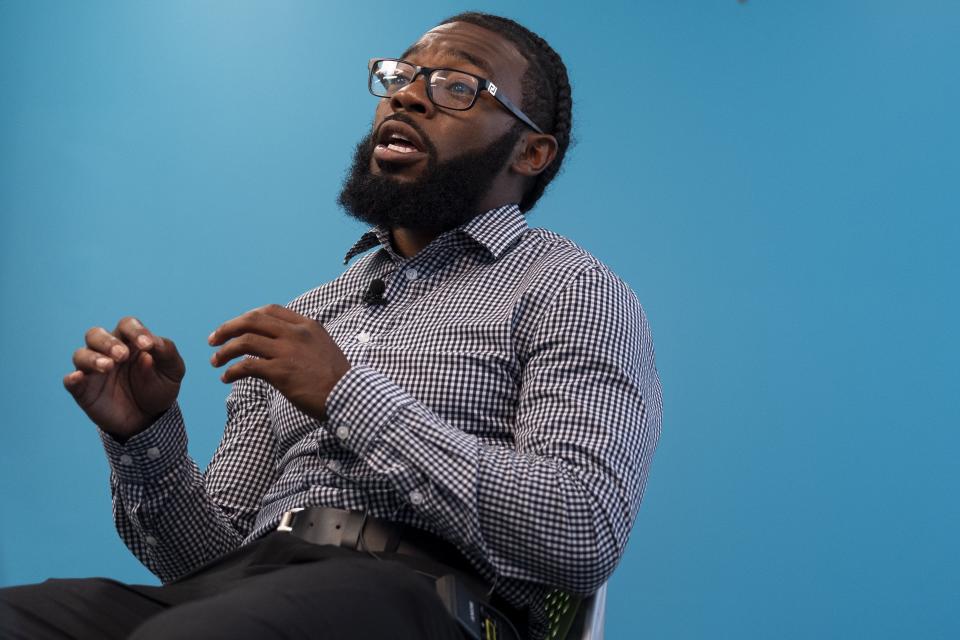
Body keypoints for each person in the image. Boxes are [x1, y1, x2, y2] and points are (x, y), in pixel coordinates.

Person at [1, 11, 661, 640]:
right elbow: (207, 559)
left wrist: (344, 392)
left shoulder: (569, 288)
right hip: (244, 593)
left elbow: (582, 528)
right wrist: (145, 439)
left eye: (457, 86)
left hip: (426, 603)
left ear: (531, 152)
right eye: (400, 77)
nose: (407, 97)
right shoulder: (310, 318)